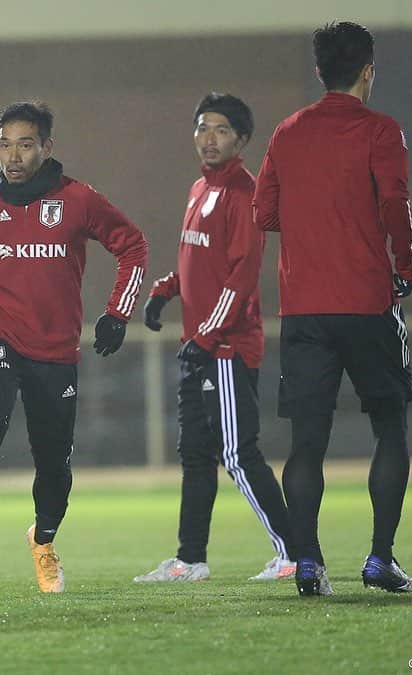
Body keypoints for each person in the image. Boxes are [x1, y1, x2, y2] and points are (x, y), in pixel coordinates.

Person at [0, 101, 147, 593]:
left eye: (25, 144)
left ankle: (43, 540)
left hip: (56, 349)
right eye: (4, 144)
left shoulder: (79, 200)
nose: (13, 155)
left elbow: (132, 246)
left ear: (47, 147)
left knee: (53, 457)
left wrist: (118, 313)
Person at [254, 21, 412, 596]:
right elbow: (395, 201)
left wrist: (311, 219)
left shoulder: (287, 133)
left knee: (306, 442)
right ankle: (379, 559)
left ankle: (308, 564)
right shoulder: (381, 130)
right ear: (367, 70)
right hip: (368, 303)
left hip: (304, 310)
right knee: (390, 428)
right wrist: (407, 262)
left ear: (320, 70)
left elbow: (264, 213)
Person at [133, 93, 295, 585]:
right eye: (203, 128)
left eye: (222, 130)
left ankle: (294, 554)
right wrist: (164, 291)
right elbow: (195, 263)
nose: (209, 138)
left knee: (238, 454)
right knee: (196, 456)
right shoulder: (199, 189)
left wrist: (207, 336)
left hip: (225, 349)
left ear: (243, 140)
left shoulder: (245, 193)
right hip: (199, 345)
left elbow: (242, 277)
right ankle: (191, 560)